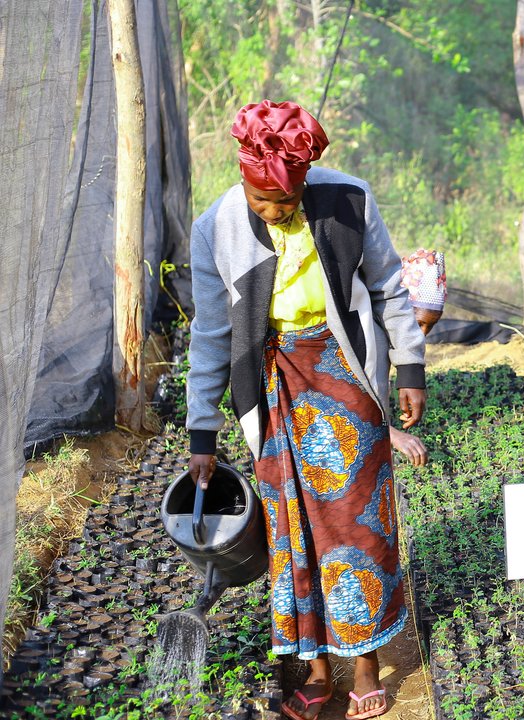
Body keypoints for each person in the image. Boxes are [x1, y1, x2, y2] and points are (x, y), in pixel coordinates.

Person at [185, 100, 424, 720]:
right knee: (292, 530)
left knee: (353, 521)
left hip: (344, 370)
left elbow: (390, 286)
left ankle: (365, 662)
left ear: (303, 184)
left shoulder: (347, 199)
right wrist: (201, 432)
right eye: (259, 201)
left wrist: (411, 366)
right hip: (275, 381)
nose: (270, 213)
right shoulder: (217, 227)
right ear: (242, 178)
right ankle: (317, 670)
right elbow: (212, 335)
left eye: (283, 205)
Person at [388, 249, 447, 467]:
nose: (422, 335)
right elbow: (343, 396)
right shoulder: (365, 335)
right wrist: (392, 435)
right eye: (419, 323)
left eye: (431, 326)